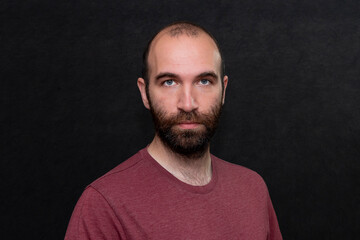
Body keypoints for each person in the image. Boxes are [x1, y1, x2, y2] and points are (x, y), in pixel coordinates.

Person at [65, 21, 282, 240]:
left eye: (204, 81)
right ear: (144, 92)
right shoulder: (103, 205)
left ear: (223, 90)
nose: (187, 104)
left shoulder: (253, 188)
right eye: (169, 82)